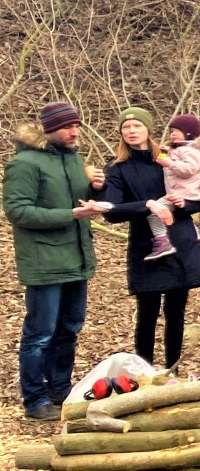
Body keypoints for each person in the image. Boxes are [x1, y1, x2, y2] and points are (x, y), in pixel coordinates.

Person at [5, 102, 107, 418]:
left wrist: (94, 185)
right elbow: (17, 210)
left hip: (76, 258)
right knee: (40, 334)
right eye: (67, 127)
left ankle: (60, 390)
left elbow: (78, 197)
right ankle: (35, 400)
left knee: (69, 329)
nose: (74, 131)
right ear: (49, 130)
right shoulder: (24, 163)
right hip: (43, 262)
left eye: (76, 125)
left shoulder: (73, 158)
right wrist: (69, 214)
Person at [100, 108, 200, 369]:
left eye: (137, 126)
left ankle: (174, 369)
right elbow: (112, 211)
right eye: (126, 127)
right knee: (147, 314)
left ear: (148, 129)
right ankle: (144, 373)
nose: (131, 131)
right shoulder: (117, 168)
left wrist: (186, 205)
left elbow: (199, 196)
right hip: (146, 246)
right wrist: (147, 204)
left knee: (176, 313)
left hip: (179, 240)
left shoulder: (168, 158)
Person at [146, 114, 200, 263]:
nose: (172, 134)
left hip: (188, 193)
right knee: (186, 219)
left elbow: (188, 169)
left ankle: (162, 241)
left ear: (188, 133)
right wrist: (166, 153)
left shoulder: (191, 150)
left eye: (176, 131)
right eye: (171, 131)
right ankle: (199, 245)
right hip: (180, 192)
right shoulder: (180, 149)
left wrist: (169, 162)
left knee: (155, 212)